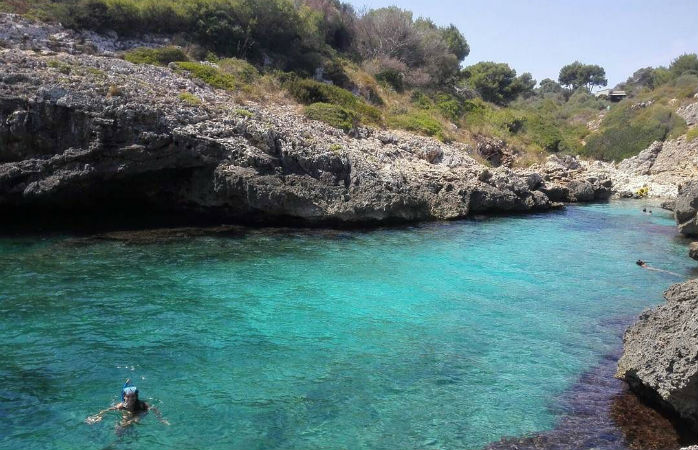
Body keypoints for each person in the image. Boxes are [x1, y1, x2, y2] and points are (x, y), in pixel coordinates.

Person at [85, 380, 169, 426]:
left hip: (140, 413)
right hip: (128, 412)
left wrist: (161, 419)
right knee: (120, 427)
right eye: (128, 396)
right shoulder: (122, 405)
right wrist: (97, 416)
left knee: (135, 420)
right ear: (124, 397)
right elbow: (108, 410)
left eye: (133, 396)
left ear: (136, 397)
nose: (131, 398)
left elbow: (154, 408)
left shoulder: (141, 404)